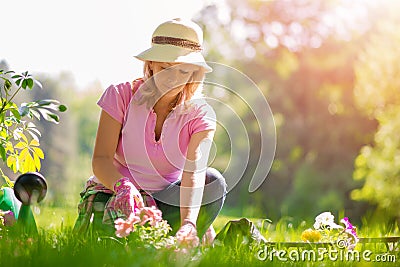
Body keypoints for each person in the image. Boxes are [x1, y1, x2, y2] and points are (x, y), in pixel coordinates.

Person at [73, 18, 227, 246]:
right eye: (165, 68)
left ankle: (180, 244)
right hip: (117, 196)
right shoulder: (120, 96)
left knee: (214, 181)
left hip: (168, 204)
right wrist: (123, 186)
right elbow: (101, 159)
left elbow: (193, 172)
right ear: (151, 63)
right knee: (114, 245)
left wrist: (189, 222)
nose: (172, 79)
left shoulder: (201, 114)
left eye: (183, 71)